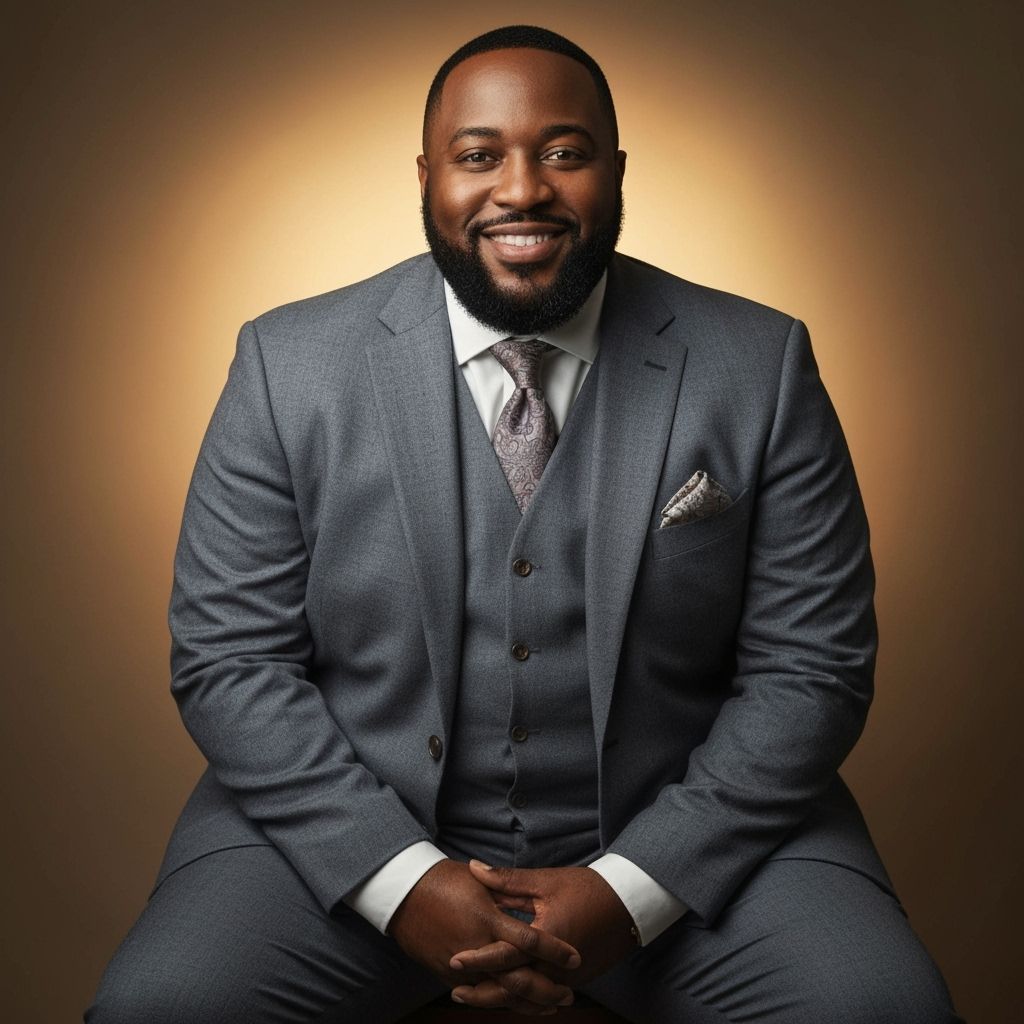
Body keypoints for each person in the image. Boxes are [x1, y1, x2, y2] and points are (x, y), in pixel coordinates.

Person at [85, 25, 964, 1023]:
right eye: (478, 155)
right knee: (162, 1005)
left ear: (616, 170)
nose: (521, 190)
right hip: (341, 841)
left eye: (563, 152)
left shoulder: (758, 365)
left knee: (880, 1004)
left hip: (699, 844)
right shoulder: (288, 367)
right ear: (425, 176)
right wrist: (401, 879)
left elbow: (813, 669)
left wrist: (632, 888)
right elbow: (228, 659)